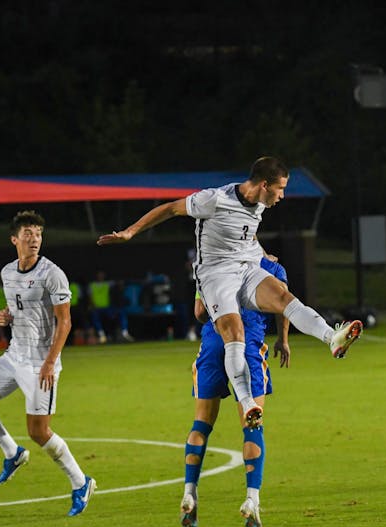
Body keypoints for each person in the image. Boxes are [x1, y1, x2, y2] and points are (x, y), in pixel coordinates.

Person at [97, 156, 362, 429]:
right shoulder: (213, 199)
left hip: (247, 267)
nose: (283, 195)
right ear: (264, 185)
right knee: (234, 334)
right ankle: (248, 403)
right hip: (216, 275)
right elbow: (171, 209)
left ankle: (332, 337)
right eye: (280, 188)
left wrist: (261, 253)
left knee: (283, 296)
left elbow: (246, 232)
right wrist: (130, 232)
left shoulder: (259, 203)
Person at [0, 210, 95, 517]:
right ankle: (13, 453)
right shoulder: (8, 272)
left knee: (39, 432)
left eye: (38, 234)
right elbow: (17, 308)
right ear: (15, 239)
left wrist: (50, 363)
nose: (34, 239)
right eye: (28, 234)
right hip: (14, 355)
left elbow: (65, 322)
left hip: (40, 364)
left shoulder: (52, 273)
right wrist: (4, 316)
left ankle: (81, 481)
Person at [180, 257, 290, 527]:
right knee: (253, 426)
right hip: (248, 345)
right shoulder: (272, 267)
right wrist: (283, 339)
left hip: (214, 342)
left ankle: (189, 492)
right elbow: (285, 304)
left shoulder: (209, 262)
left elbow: (199, 312)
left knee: (201, 424)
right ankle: (252, 500)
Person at [88, 270, 134, 343]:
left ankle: (124, 333)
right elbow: (90, 297)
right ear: (96, 276)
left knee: (121, 312)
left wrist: (121, 283)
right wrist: (92, 305)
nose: (101, 276)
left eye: (102, 274)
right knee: (94, 316)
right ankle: (101, 335)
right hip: (97, 308)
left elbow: (118, 283)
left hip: (107, 308)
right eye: (99, 274)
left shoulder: (107, 283)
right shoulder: (92, 285)